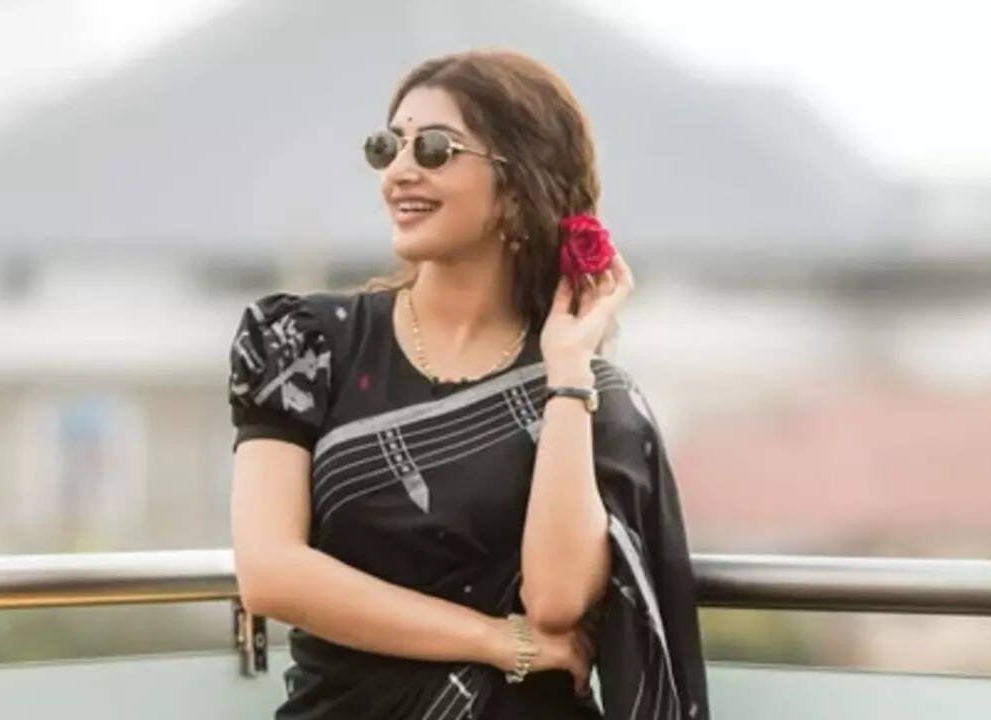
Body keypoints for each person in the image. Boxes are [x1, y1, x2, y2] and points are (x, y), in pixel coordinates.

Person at [228, 49, 709, 719]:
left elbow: (555, 601)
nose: (399, 171)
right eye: (388, 147)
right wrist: (493, 639)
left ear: (517, 186)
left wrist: (569, 372)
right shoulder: (304, 344)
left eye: (433, 149)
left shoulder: (588, 394)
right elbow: (269, 573)